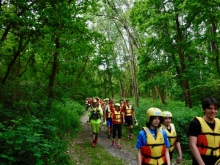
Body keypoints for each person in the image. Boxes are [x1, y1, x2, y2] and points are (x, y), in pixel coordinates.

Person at [187, 97, 220, 165]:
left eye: (215, 109)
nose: (213, 111)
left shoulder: (219, 122)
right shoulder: (196, 123)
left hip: (217, 160)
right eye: (209, 108)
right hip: (201, 160)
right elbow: (192, 145)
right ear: (204, 109)